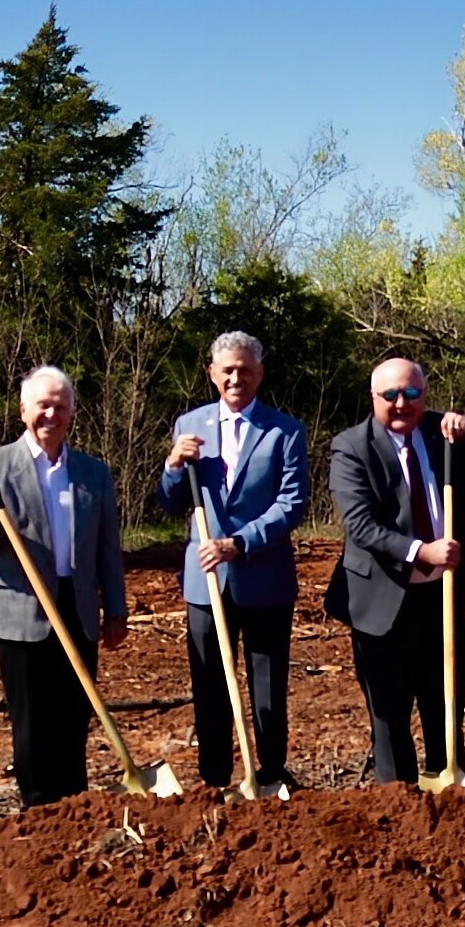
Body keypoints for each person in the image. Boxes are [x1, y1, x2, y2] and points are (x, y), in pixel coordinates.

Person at [325, 357, 465, 785]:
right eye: (390, 395)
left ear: (425, 395)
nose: (401, 403)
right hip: (382, 603)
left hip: (442, 597)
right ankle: (400, 804)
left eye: (411, 394)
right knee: (389, 718)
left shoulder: (443, 432)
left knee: (444, 706)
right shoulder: (351, 447)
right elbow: (362, 526)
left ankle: (449, 788)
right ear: (374, 398)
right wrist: (421, 551)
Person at [0, 366, 127, 808]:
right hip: (23, 610)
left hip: (78, 606)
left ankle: (74, 806)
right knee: (31, 721)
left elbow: (109, 548)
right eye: (43, 405)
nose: (51, 414)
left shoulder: (94, 473)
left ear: (72, 413)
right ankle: (37, 809)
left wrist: (116, 610)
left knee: (74, 715)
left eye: (60, 406)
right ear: (23, 410)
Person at [155, 330, 308, 793]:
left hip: (265, 577)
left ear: (259, 373)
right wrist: (173, 467)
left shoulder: (286, 431)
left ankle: (269, 774)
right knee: (210, 685)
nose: (236, 378)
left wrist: (239, 542)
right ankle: (215, 778)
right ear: (212, 375)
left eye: (245, 370)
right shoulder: (190, 425)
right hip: (206, 580)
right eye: (228, 371)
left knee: (267, 686)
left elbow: (291, 504)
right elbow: (169, 502)